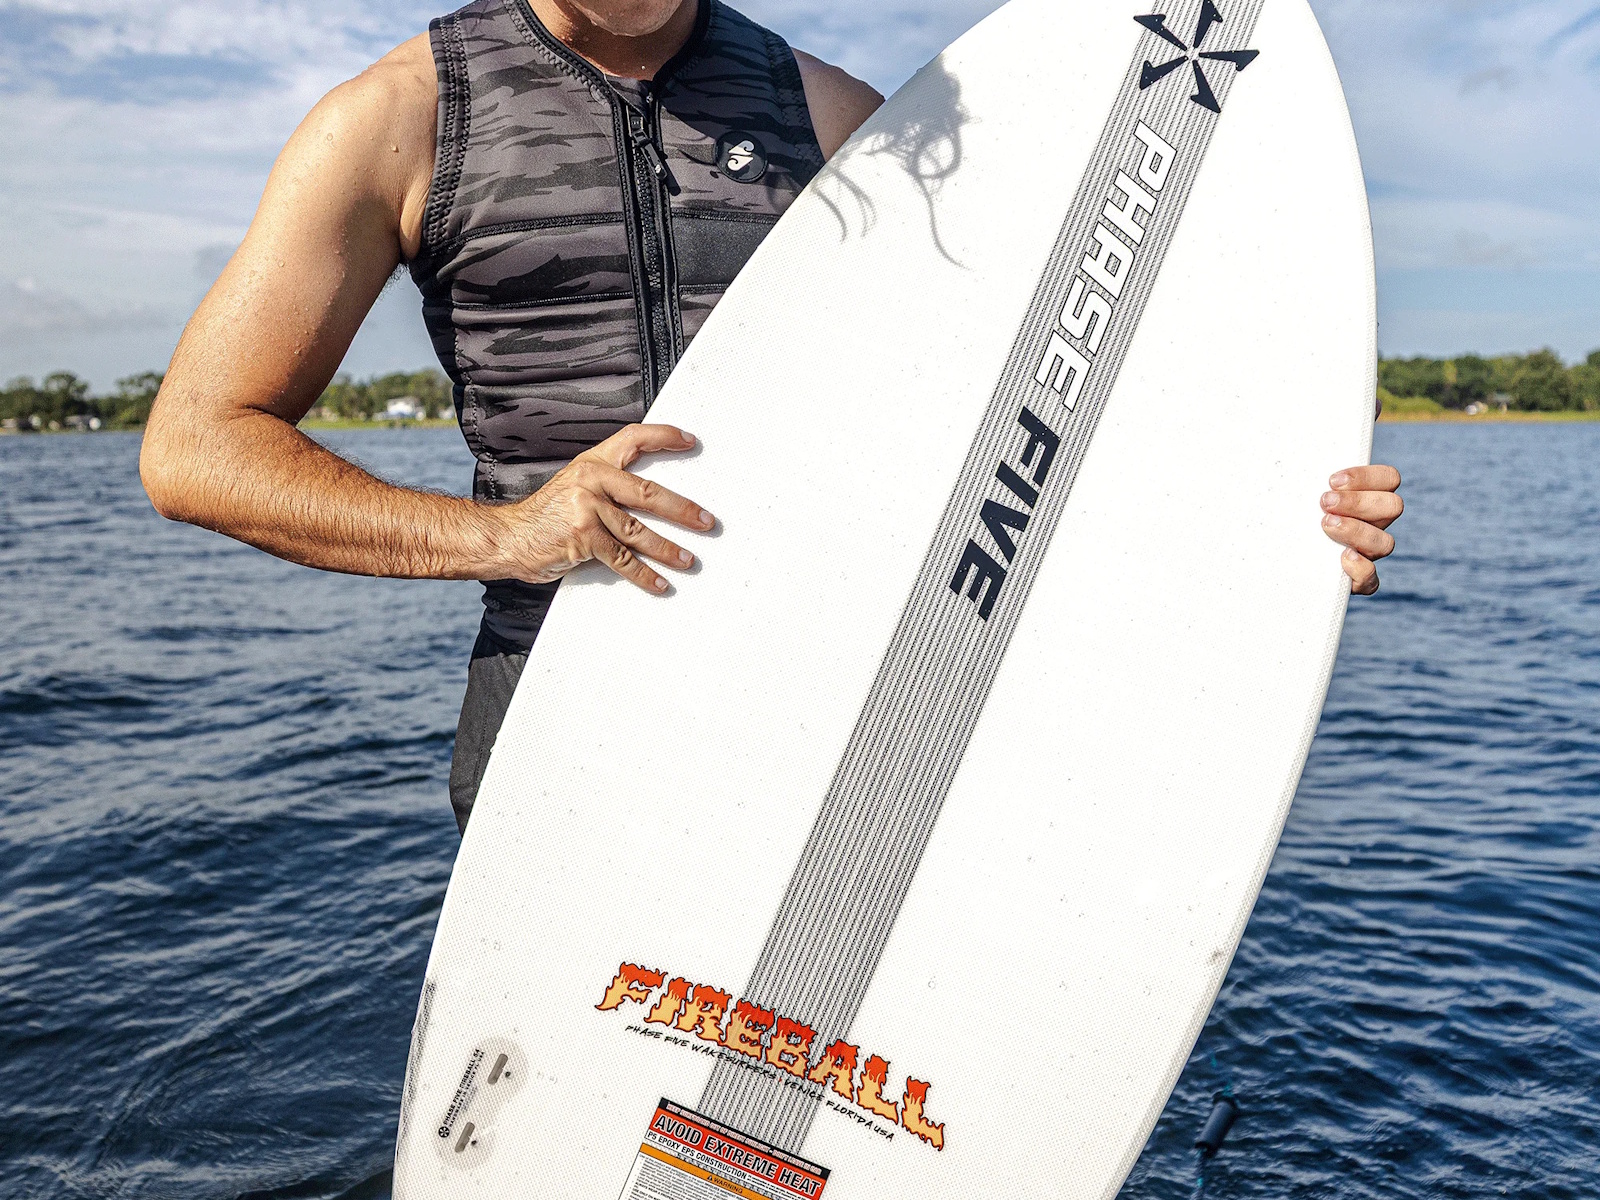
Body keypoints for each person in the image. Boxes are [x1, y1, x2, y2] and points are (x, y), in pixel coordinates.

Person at [139, 0, 1405, 833]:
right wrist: (510, 536)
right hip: (555, 713)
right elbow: (196, 446)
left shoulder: (838, 118)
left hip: (828, 696)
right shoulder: (399, 120)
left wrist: (1261, 518)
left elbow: (1028, 394)